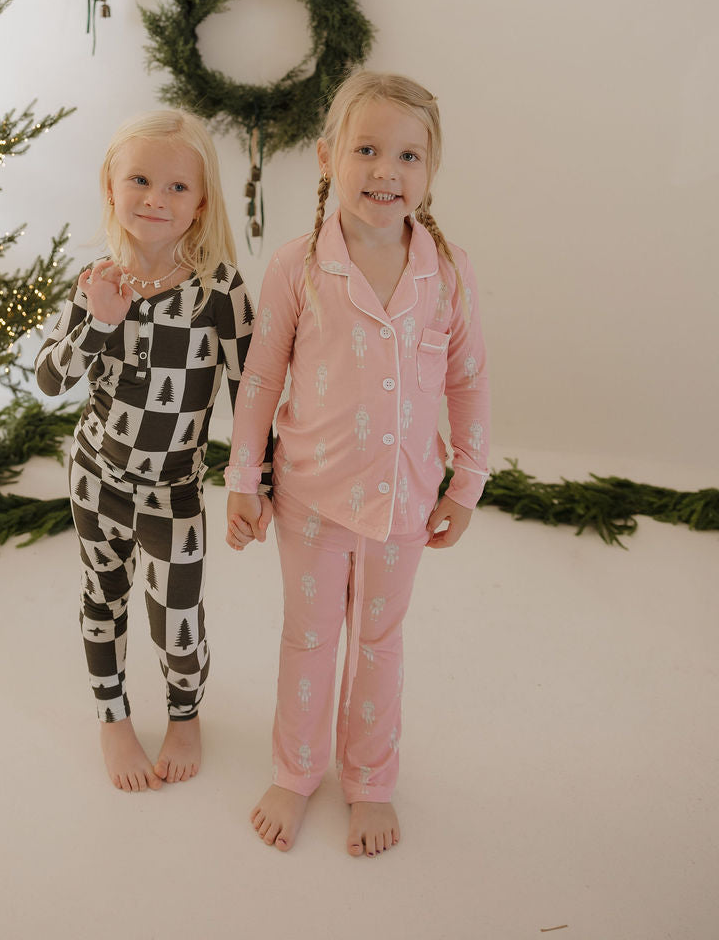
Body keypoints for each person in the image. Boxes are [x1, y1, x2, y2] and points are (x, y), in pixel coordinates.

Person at [226, 71, 489, 856]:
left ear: (430, 174)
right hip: (309, 498)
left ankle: (369, 779)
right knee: (309, 638)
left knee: (381, 643)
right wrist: (244, 478)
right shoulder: (296, 267)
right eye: (366, 149)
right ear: (325, 156)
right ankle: (296, 769)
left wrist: (466, 482)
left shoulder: (447, 272)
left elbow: (467, 380)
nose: (386, 171)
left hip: (403, 507)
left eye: (408, 156)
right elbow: (262, 378)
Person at [37, 109, 255, 793]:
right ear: (111, 186)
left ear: (202, 202)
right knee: (103, 597)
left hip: (174, 489)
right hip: (97, 479)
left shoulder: (220, 292)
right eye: (139, 180)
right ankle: (113, 717)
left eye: (176, 188)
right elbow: (50, 380)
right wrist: (99, 323)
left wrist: (256, 482)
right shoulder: (99, 280)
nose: (155, 200)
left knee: (178, 619)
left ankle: (184, 712)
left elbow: (252, 396)